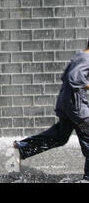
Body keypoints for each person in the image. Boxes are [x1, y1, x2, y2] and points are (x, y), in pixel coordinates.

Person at [14, 40, 89, 181]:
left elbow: (66, 76)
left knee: (60, 136)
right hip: (77, 109)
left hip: (67, 105)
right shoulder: (87, 59)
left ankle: (22, 148)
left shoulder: (79, 56)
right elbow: (74, 78)